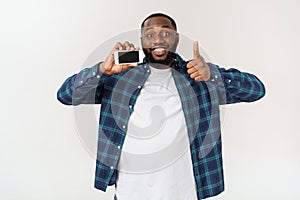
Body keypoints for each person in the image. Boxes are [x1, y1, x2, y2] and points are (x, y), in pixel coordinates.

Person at [57, 13, 265, 200]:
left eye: (166, 33)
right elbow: (66, 95)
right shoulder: (119, 77)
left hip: (185, 193)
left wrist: (213, 76)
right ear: (142, 41)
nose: (158, 39)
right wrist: (102, 69)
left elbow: (256, 90)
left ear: (177, 39)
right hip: (130, 192)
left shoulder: (198, 75)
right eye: (150, 34)